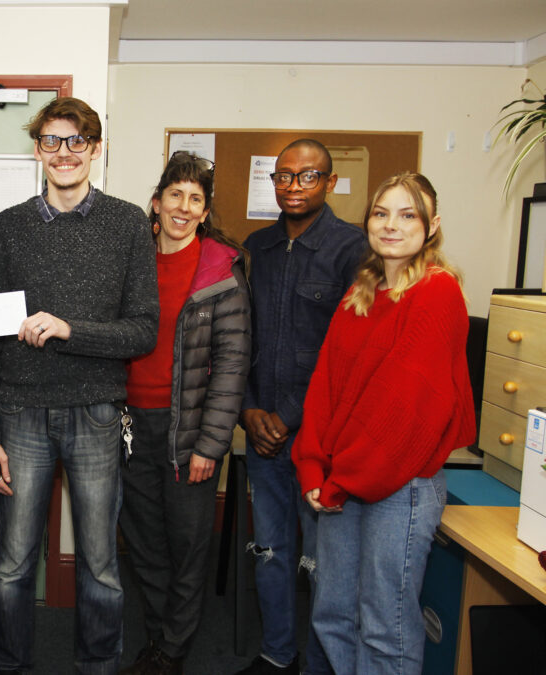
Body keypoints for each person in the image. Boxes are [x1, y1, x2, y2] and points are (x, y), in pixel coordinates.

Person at [0, 96, 159, 675]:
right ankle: (8, 665)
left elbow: (144, 330)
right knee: (13, 563)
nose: (64, 152)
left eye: (76, 141)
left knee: (100, 564)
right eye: (51, 141)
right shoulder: (10, 226)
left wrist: (68, 329)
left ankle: (98, 666)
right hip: (19, 414)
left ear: (95, 149)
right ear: (38, 151)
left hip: (96, 413)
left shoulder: (128, 223)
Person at [293, 172, 475, 674]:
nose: (391, 225)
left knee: (383, 626)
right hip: (344, 480)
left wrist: (337, 480)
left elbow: (403, 412)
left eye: (407, 214)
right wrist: (313, 465)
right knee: (332, 615)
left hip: (399, 485)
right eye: (381, 213)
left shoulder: (437, 292)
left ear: (432, 226)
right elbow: (325, 385)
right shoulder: (362, 291)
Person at [236, 139, 366, 675]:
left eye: (308, 176)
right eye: (284, 176)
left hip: (320, 439)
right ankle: (278, 655)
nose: (294, 186)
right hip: (262, 435)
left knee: (321, 562)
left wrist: (287, 415)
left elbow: (346, 351)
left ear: (329, 182)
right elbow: (239, 339)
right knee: (271, 552)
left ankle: (322, 664)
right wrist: (247, 410)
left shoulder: (353, 249)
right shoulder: (257, 247)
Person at [118, 153, 250, 675]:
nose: (184, 206)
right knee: (145, 545)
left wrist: (210, 446)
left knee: (187, 547)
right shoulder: (131, 260)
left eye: (196, 199)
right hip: (129, 429)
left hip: (190, 432)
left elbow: (232, 366)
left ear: (205, 211)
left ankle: (171, 652)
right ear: (157, 202)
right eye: (176, 194)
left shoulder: (221, 271)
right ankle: (159, 641)